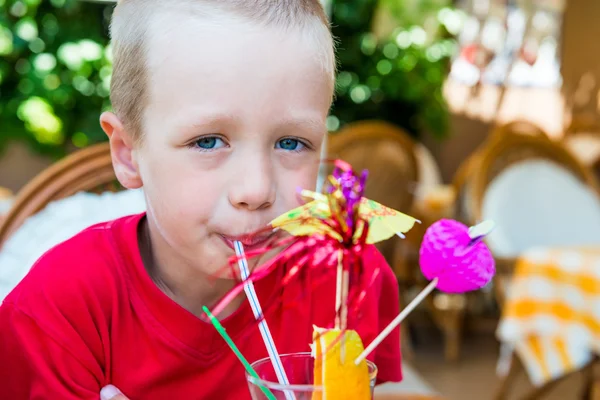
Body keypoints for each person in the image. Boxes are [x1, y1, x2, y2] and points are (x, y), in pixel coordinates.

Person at [0, 1, 402, 398]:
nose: (256, 190)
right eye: (208, 141)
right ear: (128, 151)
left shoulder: (348, 280)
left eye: (292, 142)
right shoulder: (55, 313)